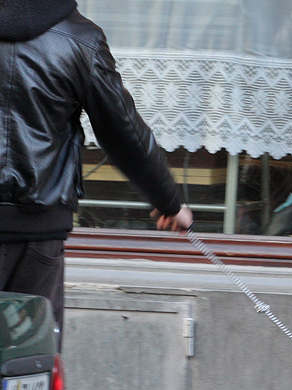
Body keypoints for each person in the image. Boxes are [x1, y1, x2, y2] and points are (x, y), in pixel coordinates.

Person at [0, 0, 192, 337]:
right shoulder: (79, 38)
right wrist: (170, 203)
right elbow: (124, 135)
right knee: (28, 363)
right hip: (36, 237)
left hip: (38, 232)